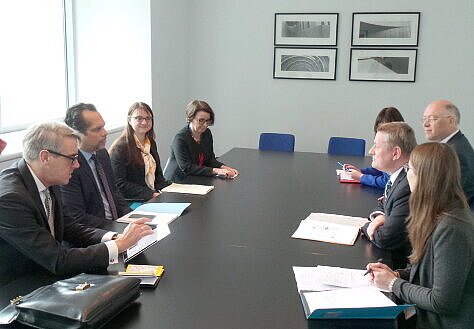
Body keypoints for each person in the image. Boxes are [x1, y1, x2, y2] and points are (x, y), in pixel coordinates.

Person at [0, 122, 153, 285]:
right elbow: (57, 260)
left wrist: (115, 237)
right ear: (45, 157)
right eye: (72, 158)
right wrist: (119, 245)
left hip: (46, 272)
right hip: (20, 285)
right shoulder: (11, 199)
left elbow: (70, 227)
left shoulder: (47, 177)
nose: (77, 165)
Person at [367, 143, 474, 329]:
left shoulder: (452, 228)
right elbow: (429, 275)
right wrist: (395, 274)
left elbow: (442, 302)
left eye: (410, 169)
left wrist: (393, 283)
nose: (407, 174)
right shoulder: (437, 212)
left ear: (426, 178)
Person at [61, 103, 131, 228]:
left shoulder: (102, 153)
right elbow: (78, 217)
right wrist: (116, 228)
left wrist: (131, 218)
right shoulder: (69, 165)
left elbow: (114, 192)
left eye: (103, 127)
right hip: (94, 234)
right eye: (97, 129)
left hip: (116, 225)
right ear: (76, 134)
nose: (105, 132)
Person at [361, 122, 417, 268]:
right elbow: (383, 203)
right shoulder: (396, 176)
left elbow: (386, 238)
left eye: (377, 146)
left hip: (402, 267)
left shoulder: (407, 185)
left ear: (396, 153)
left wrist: (366, 226)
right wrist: (380, 216)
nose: (370, 151)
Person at [163, 100, 239, 181]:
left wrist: (225, 168)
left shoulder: (207, 133)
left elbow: (210, 160)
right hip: (177, 181)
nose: (205, 125)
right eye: (201, 120)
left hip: (196, 178)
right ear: (190, 118)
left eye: (207, 121)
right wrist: (216, 170)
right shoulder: (180, 139)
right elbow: (186, 168)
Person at [109, 102, 171, 201]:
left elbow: (158, 178)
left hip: (152, 195)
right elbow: (120, 184)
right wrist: (151, 194)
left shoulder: (150, 143)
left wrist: (174, 187)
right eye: (139, 118)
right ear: (129, 120)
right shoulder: (120, 148)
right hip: (132, 201)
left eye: (148, 118)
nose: (144, 122)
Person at [422, 100, 474, 208]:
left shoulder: (455, 152)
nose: (425, 124)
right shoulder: (455, 144)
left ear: (451, 121)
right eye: (424, 119)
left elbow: (451, 200)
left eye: (432, 119)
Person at [345, 107, 404, 188]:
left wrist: (361, 177)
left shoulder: (398, 148)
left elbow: (387, 181)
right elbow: (380, 169)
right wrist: (361, 171)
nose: (371, 152)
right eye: (379, 127)